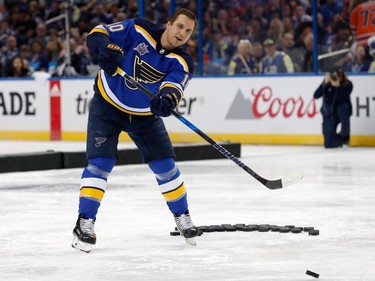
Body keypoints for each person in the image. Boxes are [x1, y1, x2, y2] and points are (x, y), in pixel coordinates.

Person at [71, 8, 199, 253]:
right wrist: (104, 49)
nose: (182, 33)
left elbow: (174, 87)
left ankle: (182, 216)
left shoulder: (183, 61)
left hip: (144, 117)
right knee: (99, 164)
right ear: (169, 23)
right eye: (180, 26)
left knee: (166, 167)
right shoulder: (139, 28)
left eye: (188, 31)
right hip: (107, 106)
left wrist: (167, 99)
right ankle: (85, 222)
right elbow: (97, 34)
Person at [313, 66, 353, 148]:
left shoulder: (347, 85)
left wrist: (338, 87)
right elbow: (316, 95)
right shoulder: (327, 84)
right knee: (329, 144)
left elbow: (343, 98)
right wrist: (324, 84)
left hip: (342, 112)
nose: (338, 78)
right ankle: (337, 139)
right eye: (335, 76)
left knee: (343, 109)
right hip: (330, 114)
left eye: (340, 75)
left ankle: (344, 138)